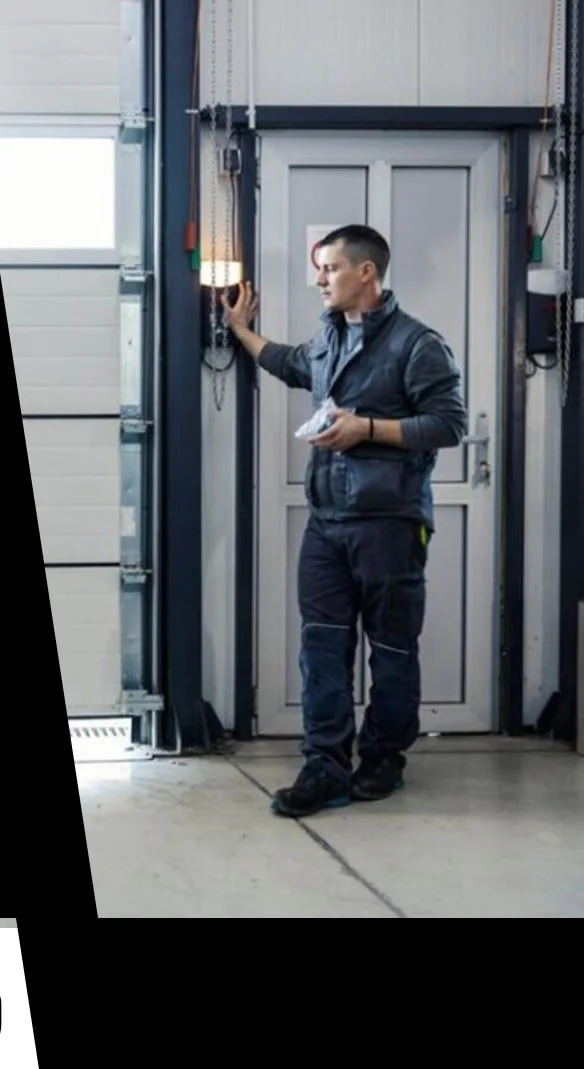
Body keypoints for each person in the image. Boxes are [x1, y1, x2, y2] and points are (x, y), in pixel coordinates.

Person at [222, 224, 468, 818]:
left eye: (330, 269)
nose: (320, 279)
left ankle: (383, 759)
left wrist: (368, 429)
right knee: (323, 648)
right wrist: (240, 331)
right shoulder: (328, 339)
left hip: (390, 522)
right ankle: (324, 767)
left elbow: (449, 424)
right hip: (327, 523)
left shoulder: (418, 345)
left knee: (390, 648)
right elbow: (288, 363)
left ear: (366, 273)